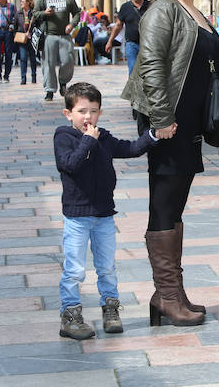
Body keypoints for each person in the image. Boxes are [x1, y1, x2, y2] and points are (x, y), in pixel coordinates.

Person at [121, 0, 219, 327]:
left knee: (176, 202)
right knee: (164, 201)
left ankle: (170, 292)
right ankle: (166, 295)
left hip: (188, 122)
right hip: (168, 120)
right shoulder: (162, 10)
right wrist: (161, 118)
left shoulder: (196, 11)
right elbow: (151, 64)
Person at [54, 82, 159, 339]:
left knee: (107, 267)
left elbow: (130, 149)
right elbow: (70, 165)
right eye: (81, 111)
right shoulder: (64, 136)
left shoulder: (104, 137)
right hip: (77, 216)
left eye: (93, 111)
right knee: (75, 269)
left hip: (103, 214)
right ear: (68, 114)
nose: (88, 117)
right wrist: (88, 141)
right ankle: (70, 315)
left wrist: (153, 134)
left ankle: (110, 309)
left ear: (100, 112)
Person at [33, 0, 80, 101]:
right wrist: (45, 13)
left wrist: (72, 24)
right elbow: (34, 13)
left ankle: (63, 82)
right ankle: (49, 90)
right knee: (48, 63)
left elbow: (77, 13)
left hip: (65, 35)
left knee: (68, 60)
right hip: (49, 35)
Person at [107, 0, 151, 74]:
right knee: (133, 70)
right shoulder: (125, 7)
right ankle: (134, 88)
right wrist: (110, 41)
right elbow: (118, 26)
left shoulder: (150, 5)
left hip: (148, 43)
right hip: (132, 44)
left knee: (149, 69)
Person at [14, 0, 38, 84]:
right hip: (22, 39)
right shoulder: (18, 13)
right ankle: (23, 78)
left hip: (32, 39)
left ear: (28, 3)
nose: (21, 3)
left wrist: (31, 33)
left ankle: (33, 76)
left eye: (23, 2)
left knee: (32, 58)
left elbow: (37, 25)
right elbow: (15, 26)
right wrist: (18, 35)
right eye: (21, 2)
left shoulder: (33, 13)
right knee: (23, 58)